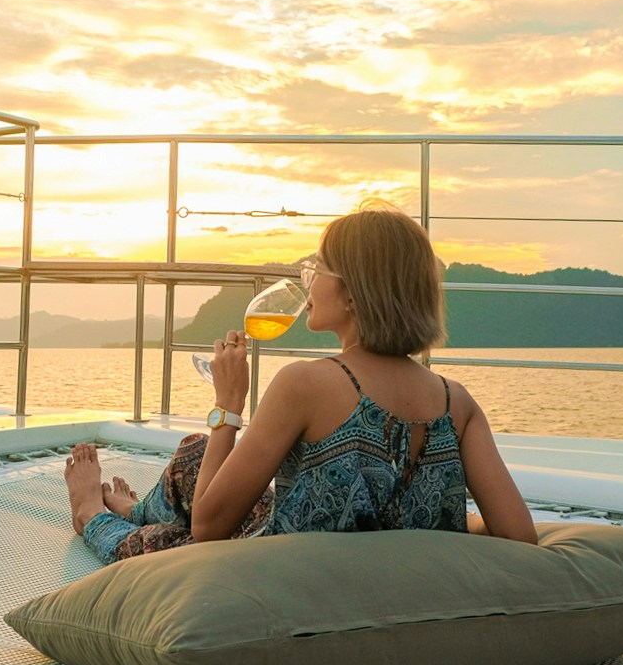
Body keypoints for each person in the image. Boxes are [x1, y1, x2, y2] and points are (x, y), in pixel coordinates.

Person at [64, 205, 539, 563]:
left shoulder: (305, 384)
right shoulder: (459, 402)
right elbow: (519, 536)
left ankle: (93, 512)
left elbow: (210, 527)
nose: (306, 282)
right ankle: (138, 507)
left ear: (352, 293)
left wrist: (228, 405)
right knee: (193, 452)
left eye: (316, 269)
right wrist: (438, 524)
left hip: (275, 569)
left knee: (175, 541)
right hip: (338, 546)